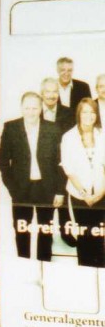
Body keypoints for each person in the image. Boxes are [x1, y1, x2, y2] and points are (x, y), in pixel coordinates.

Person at [0, 91, 65, 261]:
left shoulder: (53, 129)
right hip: (21, 190)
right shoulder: (11, 128)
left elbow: (60, 163)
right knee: (22, 233)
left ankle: (44, 270)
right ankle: (24, 270)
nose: (31, 112)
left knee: (45, 233)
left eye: (35, 108)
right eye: (27, 108)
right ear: (21, 108)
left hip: (46, 188)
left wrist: (60, 191)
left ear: (41, 108)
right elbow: (3, 162)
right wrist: (13, 189)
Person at [61, 98, 105, 268]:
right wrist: (85, 195)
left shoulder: (102, 135)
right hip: (79, 195)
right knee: (84, 237)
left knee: (99, 237)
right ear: (79, 113)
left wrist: (100, 193)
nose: (89, 115)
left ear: (96, 115)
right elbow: (68, 169)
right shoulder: (68, 137)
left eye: (92, 112)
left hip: (101, 194)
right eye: (85, 111)